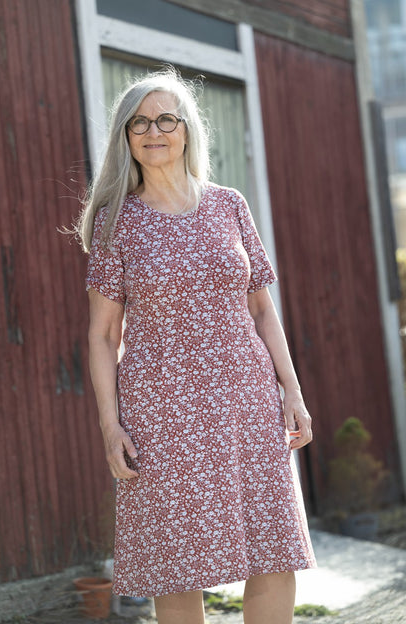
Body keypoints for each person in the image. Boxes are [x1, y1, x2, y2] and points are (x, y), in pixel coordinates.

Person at [79, 68, 316, 624]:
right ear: (125, 137)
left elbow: (262, 309)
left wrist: (292, 392)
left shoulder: (230, 204)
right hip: (162, 411)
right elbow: (102, 335)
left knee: (271, 546)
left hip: (247, 399)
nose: (153, 131)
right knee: (176, 563)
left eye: (166, 119)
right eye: (139, 122)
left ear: (187, 130)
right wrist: (111, 425)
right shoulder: (117, 223)